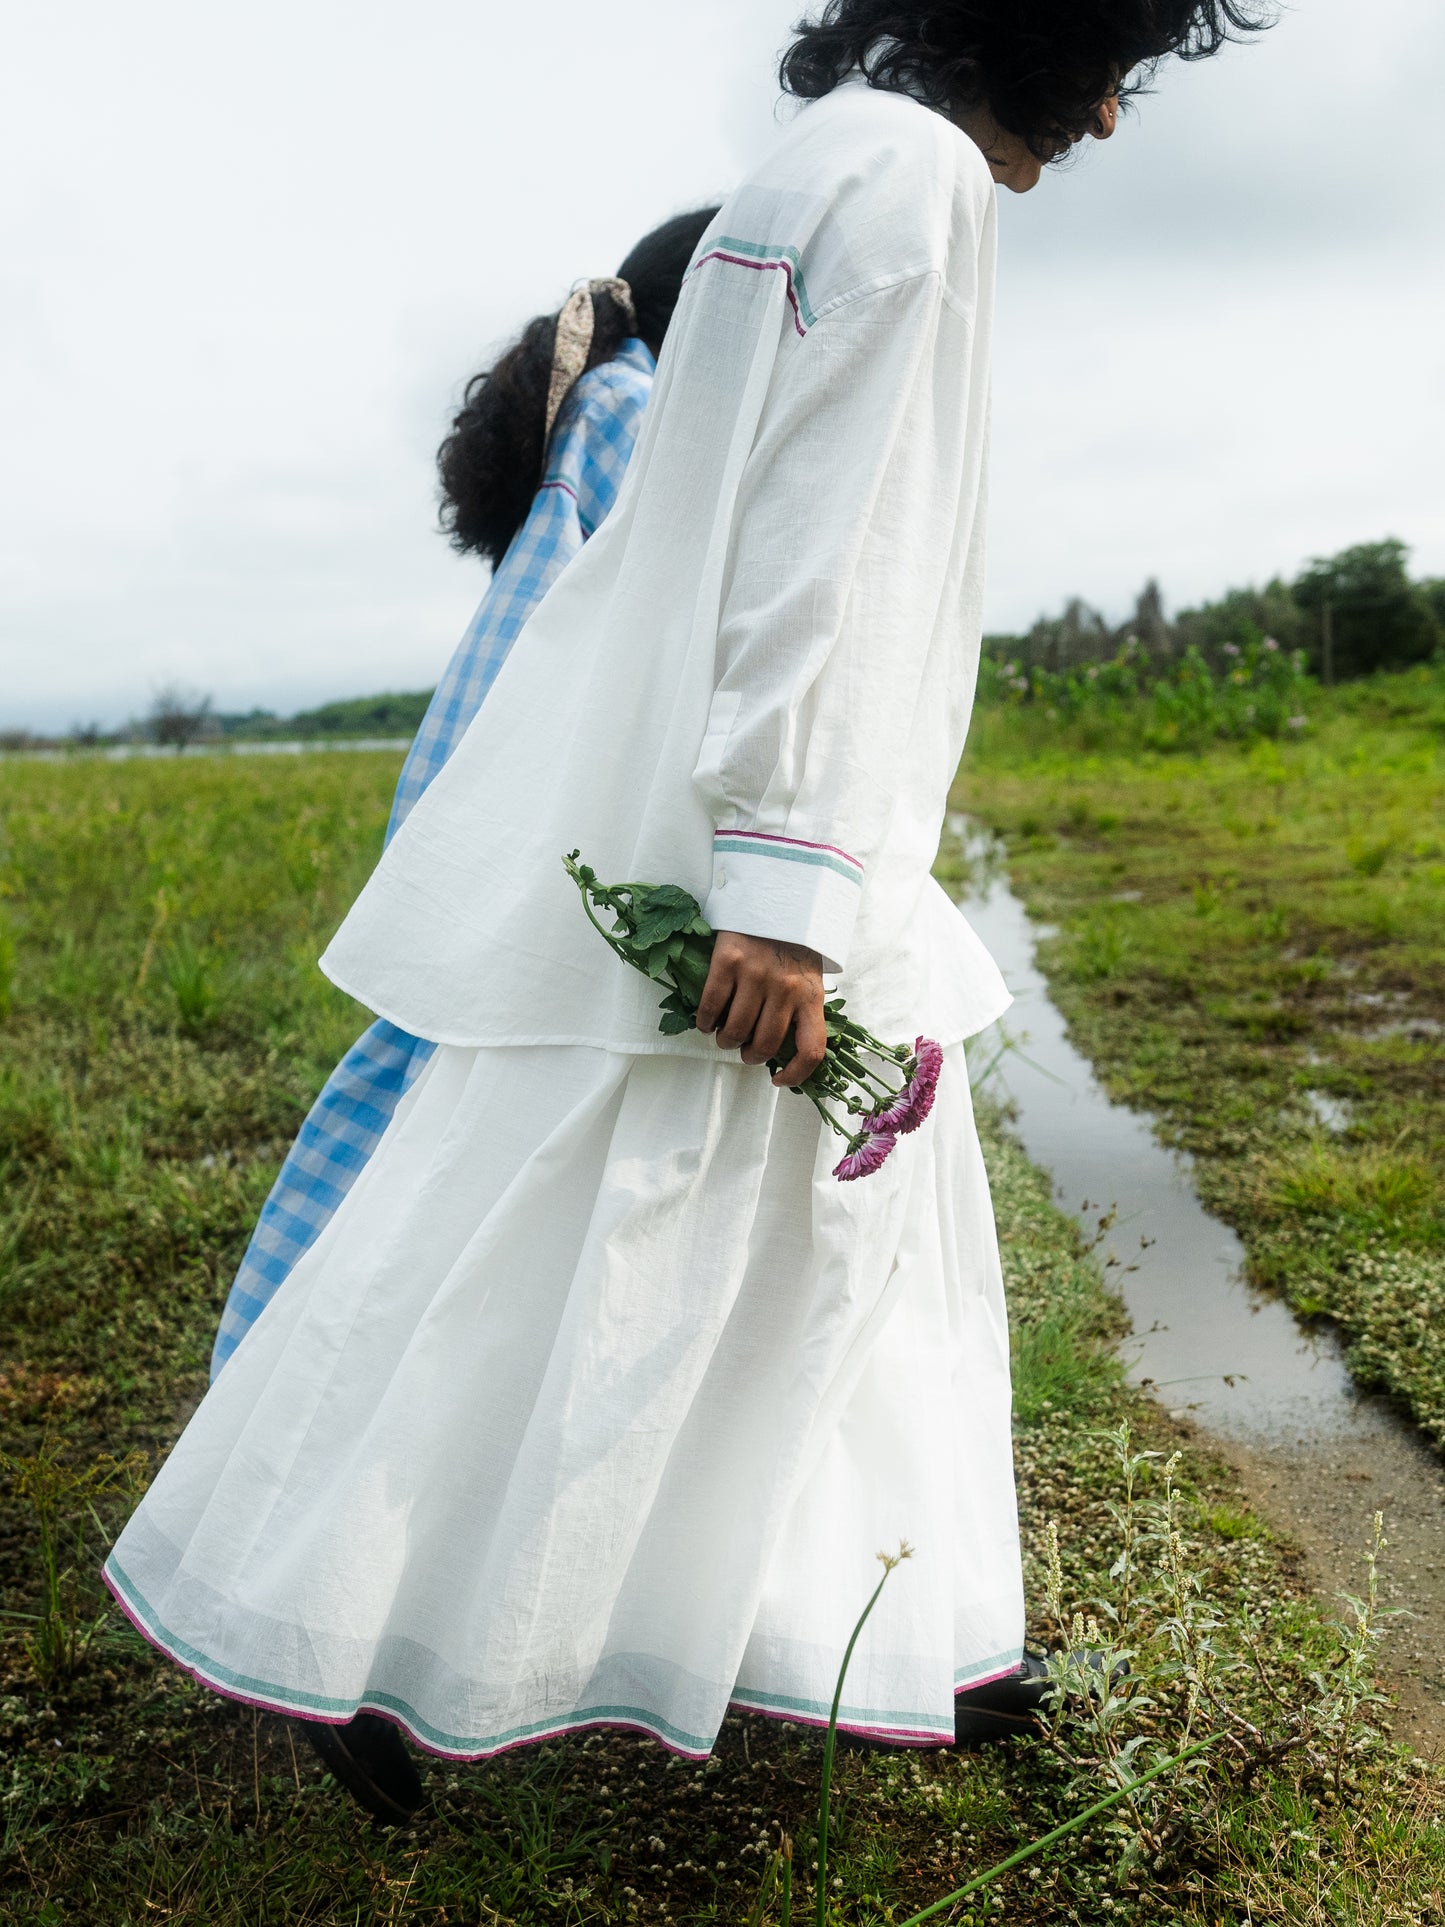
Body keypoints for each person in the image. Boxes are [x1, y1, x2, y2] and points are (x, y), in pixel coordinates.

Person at [107, 0, 1270, 1828]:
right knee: (650, 1234)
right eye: (1114, 55)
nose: (1118, 113)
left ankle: (919, 1645)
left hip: (700, 798)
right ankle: (351, 1618)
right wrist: (792, 879)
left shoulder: (811, 165)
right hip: (767, 825)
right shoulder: (916, 182)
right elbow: (835, 525)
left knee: (796, 1220)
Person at [210, 208, 720, 1380]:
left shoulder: (615, 403)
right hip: (555, 812)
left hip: (532, 804)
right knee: (478, 1123)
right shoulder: (642, 414)